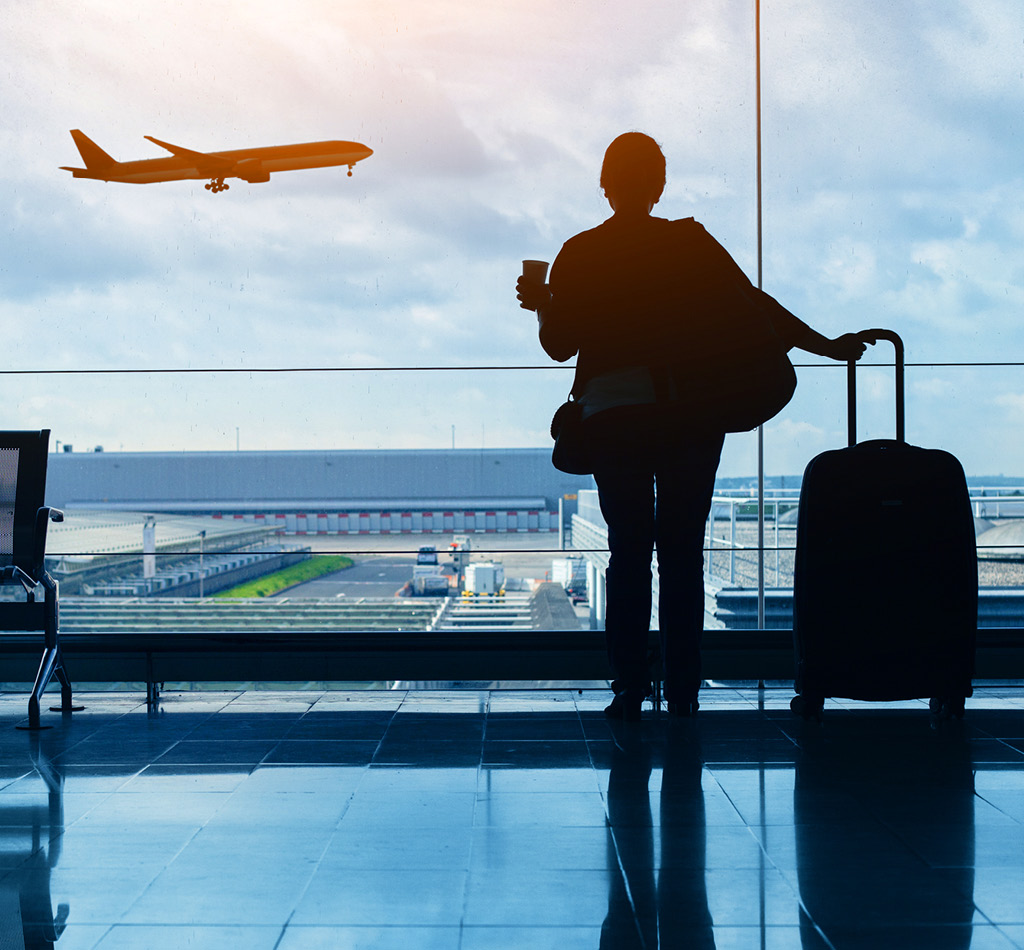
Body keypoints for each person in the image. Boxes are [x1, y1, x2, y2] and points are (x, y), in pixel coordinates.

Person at [517, 131, 871, 720]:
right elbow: (753, 305)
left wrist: (545, 301)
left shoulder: (579, 251)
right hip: (689, 416)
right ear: (659, 184)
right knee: (683, 553)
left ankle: (628, 687)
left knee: (629, 551)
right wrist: (824, 346)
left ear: (604, 184)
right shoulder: (689, 241)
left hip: (614, 416)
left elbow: (558, 346)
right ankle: (683, 688)